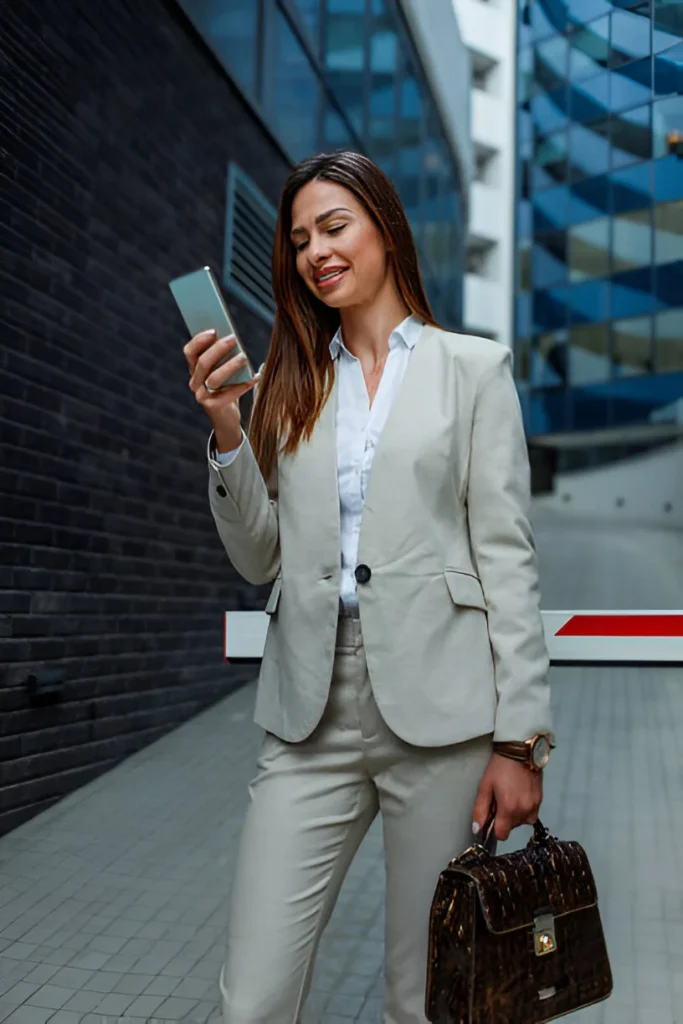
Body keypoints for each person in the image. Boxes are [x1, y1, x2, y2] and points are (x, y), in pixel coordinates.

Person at [183, 150, 554, 1024]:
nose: (315, 250)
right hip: (308, 713)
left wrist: (521, 742)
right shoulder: (285, 383)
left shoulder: (473, 370)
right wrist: (228, 434)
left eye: (334, 225)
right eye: (300, 237)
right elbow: (258, 557)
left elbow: (507, 560)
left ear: (384, 227)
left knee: (426, 997)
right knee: (253, 1001)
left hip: (443, 718)